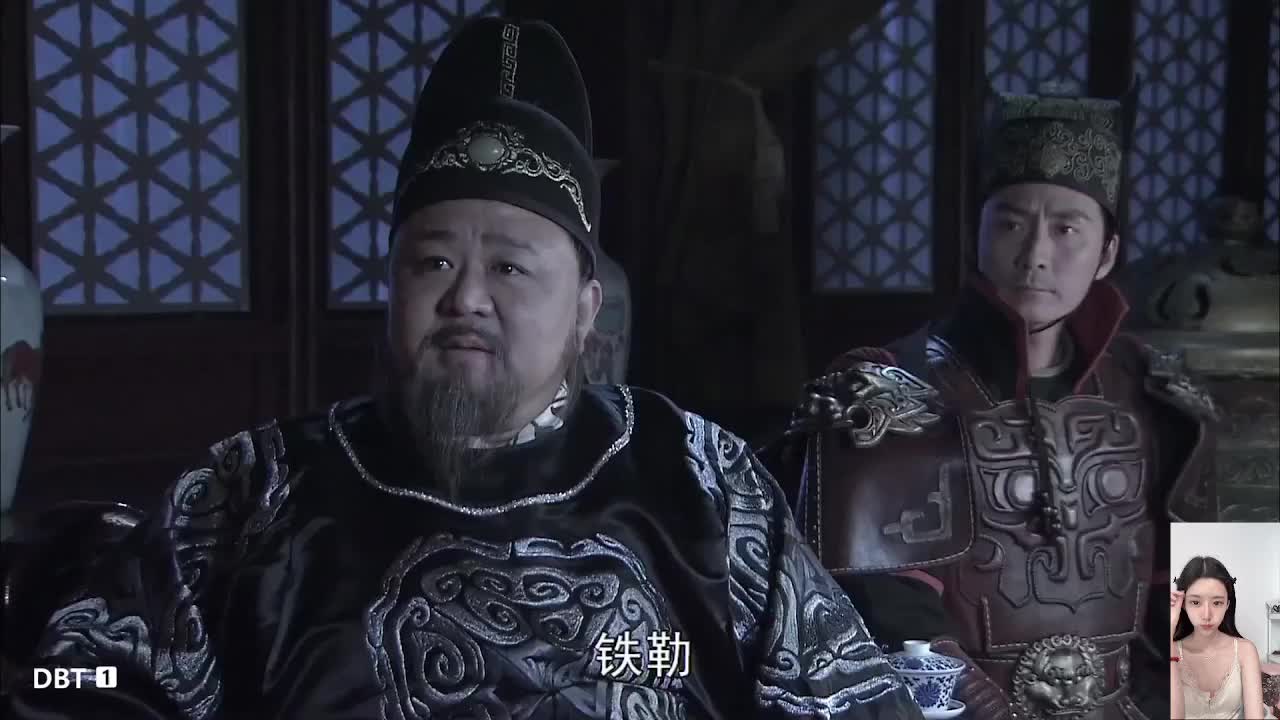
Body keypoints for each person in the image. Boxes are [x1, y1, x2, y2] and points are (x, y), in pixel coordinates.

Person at [3, 17, 922, 720]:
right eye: (433, 262)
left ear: (586, 308)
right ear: (391, 287)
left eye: (511, 268)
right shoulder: (255, 491)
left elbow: (852, 696)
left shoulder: (701, 481)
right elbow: (76, 679)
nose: (466, 298)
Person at [764, 84, 1220, 720]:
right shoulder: (891, 391)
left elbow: (1210, 607)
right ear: (974, 234)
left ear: (1107, 252)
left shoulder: (1156, 397)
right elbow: (888, 615)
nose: (1035, 256)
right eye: (1010, 223)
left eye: (1067, 228)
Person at [1169, 557, 1269, 719]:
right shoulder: (1168, 649)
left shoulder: (1245, 651)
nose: (1206, 615)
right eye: (1195, 602)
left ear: (1227, 604)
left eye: (1217, 603)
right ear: (1183, 604)